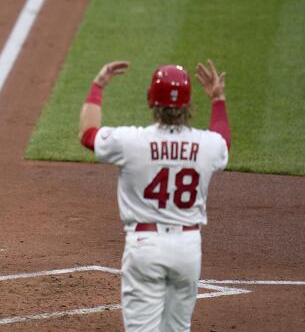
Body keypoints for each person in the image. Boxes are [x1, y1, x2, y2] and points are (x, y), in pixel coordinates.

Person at [79, 60, 230, 331]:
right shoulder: (208, 144)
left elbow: (88, 135)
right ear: (187, 105)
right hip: (188, 248)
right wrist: (218, 99)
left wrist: (98, 85)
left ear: (151, 101)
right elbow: (223, 143)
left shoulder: (131, 141)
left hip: (146, 247)